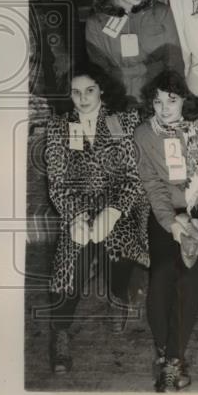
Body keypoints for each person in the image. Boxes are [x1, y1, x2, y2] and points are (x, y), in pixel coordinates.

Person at [43, 63, 149, 374]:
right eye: (76, 92)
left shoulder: (122, 122)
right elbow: (57, 184)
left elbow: (133, 177)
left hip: (118, 203)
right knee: (69, 267)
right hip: (77, 205)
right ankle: (60, 331)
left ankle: (119, 296)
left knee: (117, 248)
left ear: (101, 89)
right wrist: (75, 217)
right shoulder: (60, 126)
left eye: (89, 90)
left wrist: (113, 212)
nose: (83, 98)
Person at [133, 70, 198, 392]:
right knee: (161, 277)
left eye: (172, 100)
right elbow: (153, 185)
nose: (165, 108)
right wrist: (171, 222)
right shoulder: (145, 134)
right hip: (168, 210)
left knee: (191, 277)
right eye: (157, 101)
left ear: (186, 99)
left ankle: (172, 359)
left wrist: (194, 219)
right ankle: (164, 348)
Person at [85, 0, 182, 105]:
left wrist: (169, 100)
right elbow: (99, 70)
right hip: (117, 98)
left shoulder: (161, 12)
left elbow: (174, 62)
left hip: (157, 98)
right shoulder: (96, 22)